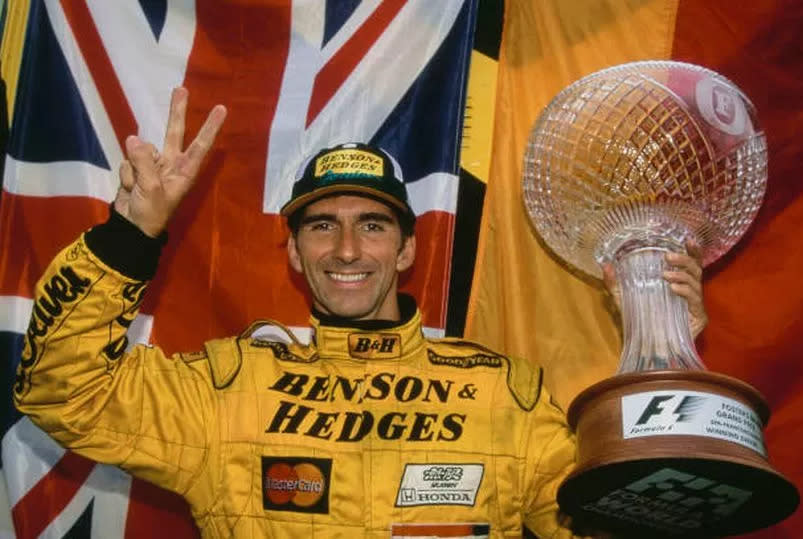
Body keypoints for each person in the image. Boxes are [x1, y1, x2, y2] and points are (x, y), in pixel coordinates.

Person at [14, 88, 706, 538]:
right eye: (322, 226)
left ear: (407, 249)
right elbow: (62, 393)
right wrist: (130, 237)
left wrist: (666, 352)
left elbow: (617, 528)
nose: (347, 248)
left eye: (373, 225)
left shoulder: (504, 393)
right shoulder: (228, 388)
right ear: (291, 250)